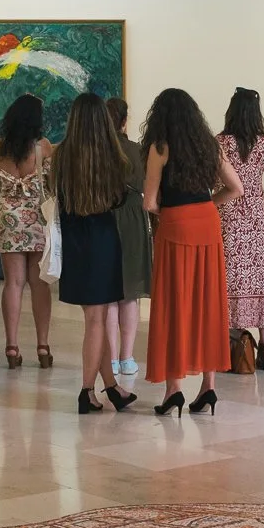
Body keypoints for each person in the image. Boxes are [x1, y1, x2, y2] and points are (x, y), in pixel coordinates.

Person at [142, 88, 240, 416]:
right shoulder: (209, 145)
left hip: (176, 225)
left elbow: (149, 201)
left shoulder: (161, 147)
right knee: (208, 302)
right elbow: (235, 188)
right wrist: (206, 204)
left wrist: (172, 211)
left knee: (175, 305)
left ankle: (173, 390)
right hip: (207, 224)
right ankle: (209, 387)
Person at [53, 94, 139, 413]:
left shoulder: (62, 156)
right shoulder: (111, 156)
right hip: (103, 239)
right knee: (96, 320)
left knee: (97, 319)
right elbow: (118, 198)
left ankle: (112, 387)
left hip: (76, 241)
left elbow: (58, 195)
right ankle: (87, 391)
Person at [0, 93, 56, 369]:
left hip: (8, 220)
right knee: (39, 283)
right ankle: (42, 346)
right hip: (37, 218)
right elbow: (50, 184)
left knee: (12, 283)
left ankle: (12, 346)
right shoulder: (43, 148)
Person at [216, 88, 264, 371]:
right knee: (261, 277)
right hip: (256, 214)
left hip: (229, 214)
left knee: (231, 276)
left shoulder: (221, 142)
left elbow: (218, 177)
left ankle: (235, 340)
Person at [106, 97, 150, 375]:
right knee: (130, 292)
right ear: (124, 121)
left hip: (104, 218)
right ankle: (127, 357)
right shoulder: (137, 152)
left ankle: (110, 358)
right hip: (133, 218)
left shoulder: (95, 152)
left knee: (108, 293)